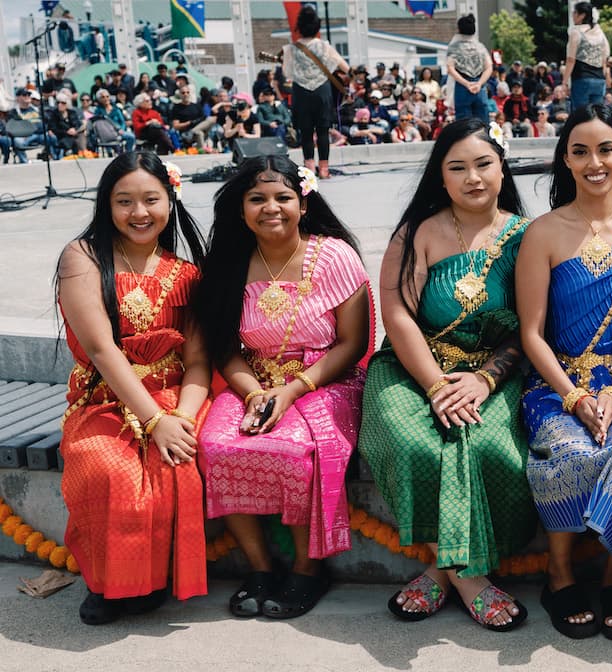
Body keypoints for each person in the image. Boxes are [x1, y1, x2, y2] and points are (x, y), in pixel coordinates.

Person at [358, 119, 537, 631]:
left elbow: (534, 323)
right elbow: (397, 315)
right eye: (457, 168)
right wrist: (436, 384)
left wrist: (484, 379)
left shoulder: (527, 237)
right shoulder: (417, 232)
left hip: (494, 371)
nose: (472, 177)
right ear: (441, 176)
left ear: (502, 167)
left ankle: (440, 572)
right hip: (413, 365)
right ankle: (469, 580)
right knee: (411, 443)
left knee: (492, 447)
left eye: (483, 164)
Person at [516, 105, 612, 640]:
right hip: (555, 383)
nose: (594, 163)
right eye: (580, 152)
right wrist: (574, 397)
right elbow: (531, 334)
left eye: (605, 149)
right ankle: (559, 573)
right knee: (570, 449)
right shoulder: (543, 233)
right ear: (565, 159)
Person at [193, 157, 370, 619]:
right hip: (253, 380)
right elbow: (224, 348)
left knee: (294, 450)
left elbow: (353, 344)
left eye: (283, 197)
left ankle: (309, 569)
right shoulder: (228, 264)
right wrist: (254, 393)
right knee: (214, 445)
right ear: (241, 209)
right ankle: (260, 567)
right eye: (257, 199)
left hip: (325, 379)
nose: (270, 208)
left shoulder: (334, 256)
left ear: (303, 204)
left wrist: (292, 391)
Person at [56, 151, 210, 624]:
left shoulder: (187, 274)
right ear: (107, 204)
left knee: (177, 461)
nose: (139, 213)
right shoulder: (83, 258)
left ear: (170, 201)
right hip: (104, 396)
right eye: (124, 201)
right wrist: (155, 420)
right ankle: (108, 584)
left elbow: (198, 362)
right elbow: (101, 349)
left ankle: (154, 580)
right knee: (109, 468)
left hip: (175, 396)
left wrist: (181, 419)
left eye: (151, 200)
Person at [283, 5, 350, 178]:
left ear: (299, 26)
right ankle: (324, 169)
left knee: (306, 132)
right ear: (317, 26)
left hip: (301, 92)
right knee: (322, 131)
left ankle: (309, 169)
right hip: (322, 90)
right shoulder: (324, 46)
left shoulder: (291, 48)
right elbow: (344, 66)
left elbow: (287, 72)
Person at [446, 14, 492, 123]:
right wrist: (479, 83)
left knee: (464, 124)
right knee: (483, 122)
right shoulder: (480, 46)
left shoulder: (454, 46)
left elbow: (450, 68)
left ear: (459, 29)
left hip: (462, 86)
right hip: (479, 87)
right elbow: (489, 67)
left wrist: (467, 84)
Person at [564, 2, 610, 112]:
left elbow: (570, 60)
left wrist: (564, 82)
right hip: (599, 79)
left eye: (575, 12)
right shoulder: (599, 32)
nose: (573, 15)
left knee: (581, 115)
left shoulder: (576, 32)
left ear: (582, 15)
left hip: (582, 78)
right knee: (597, 114)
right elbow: (605, 56)